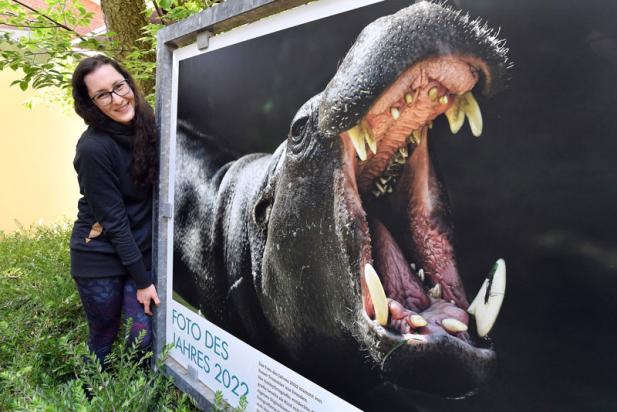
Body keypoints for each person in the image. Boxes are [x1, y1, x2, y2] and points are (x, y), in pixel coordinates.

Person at [69, 55, 160, 368]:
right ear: (90, 103)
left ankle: (134, 394)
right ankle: (93, 394)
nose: (118, 99)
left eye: (119, 86)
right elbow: (116, 223)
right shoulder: (93, 149)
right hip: (100, 256)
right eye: (103, 94)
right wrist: (144, 281)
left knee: (142, 336)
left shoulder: (148, 125)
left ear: (128, 81)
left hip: (138, 247)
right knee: (104, 338)